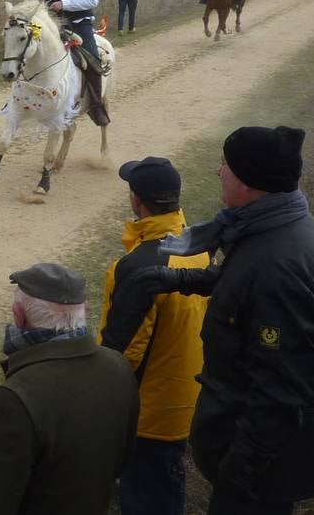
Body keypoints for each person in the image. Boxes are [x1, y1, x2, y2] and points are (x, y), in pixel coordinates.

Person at [134, 126, 314, 514]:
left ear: (250, 180)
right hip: (263, 459)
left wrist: (238, 479)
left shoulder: (281, 267)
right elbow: (245, 277)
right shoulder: (280, 227)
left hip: (264, 472)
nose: (218, 172)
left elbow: (279, 394)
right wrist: (184, 279)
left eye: (225, 164)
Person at [0, 263, 139, 515]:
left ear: (18, 315)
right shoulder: (118, 367)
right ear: (84, 310)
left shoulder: (14, 401)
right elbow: (121, 461)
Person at [98, 157, 209, 515]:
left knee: (150, 498)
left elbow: (123, 354)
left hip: (149, 416)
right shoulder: (199, 249)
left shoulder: (135, 267)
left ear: (136, 199)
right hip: (189, 398)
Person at [0, 0, 109, 127]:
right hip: (51, 22)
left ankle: (96, 106)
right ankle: (22, 98)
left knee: (92, 60)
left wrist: (65, 4)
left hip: (78, 23)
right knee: (28, 50)